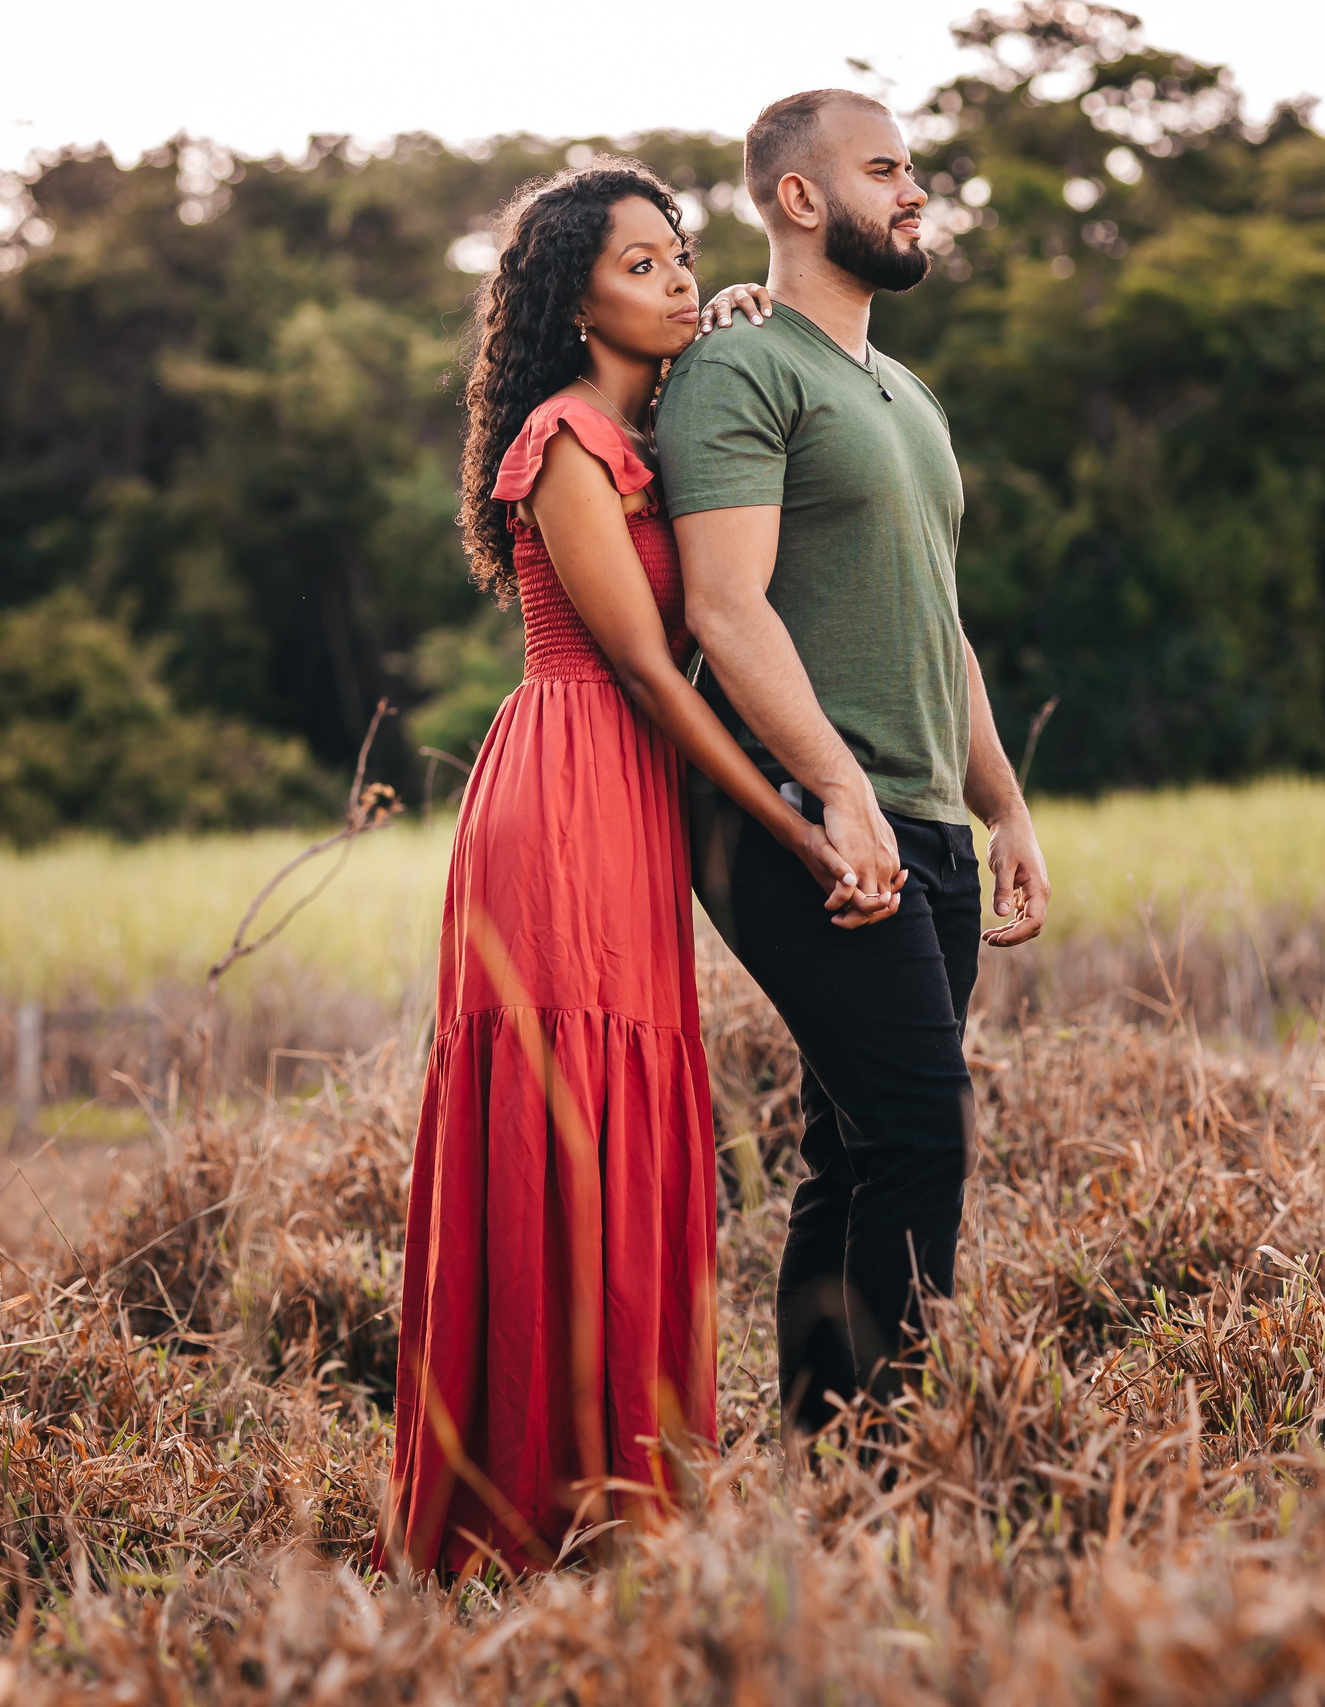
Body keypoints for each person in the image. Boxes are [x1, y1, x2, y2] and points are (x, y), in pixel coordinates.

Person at [379, 160, 893, 1579]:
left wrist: (731, 317)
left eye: (684, 260)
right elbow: (660, 682)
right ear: (573, 296)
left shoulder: (647, 428)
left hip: (632, 802)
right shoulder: (557, 441)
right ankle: (536, 1505)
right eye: (648, 266)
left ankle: (626, 1490)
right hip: (567, 788)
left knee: (624, 1114)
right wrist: (800, 824)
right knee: (565, 1116)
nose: (679, 284)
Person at [657, 90, 1053, 1438]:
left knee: (858, 1143)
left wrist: (1002, 807)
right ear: (800, 199)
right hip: (797, 812)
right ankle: (891, 1464)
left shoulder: (907, 396)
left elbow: (941, 625)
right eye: (885, 169)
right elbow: (724, 606)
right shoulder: (741, 367)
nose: (916, 191)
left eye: (913, 171)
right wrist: (830, 788)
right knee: (918, 1136)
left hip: (928, 817)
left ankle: (831, 1471)